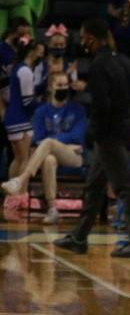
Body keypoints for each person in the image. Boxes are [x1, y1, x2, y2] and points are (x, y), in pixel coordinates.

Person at [56, 19, 130, 257]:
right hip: (126, 130)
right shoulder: (125, 61)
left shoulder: (99, 64)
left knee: (124, 187)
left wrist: (93, 133)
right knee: (94, 186)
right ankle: (79, 237)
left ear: (90, 38)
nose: (82, 42)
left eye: (83, 38)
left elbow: (101, 105)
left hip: (109, 134)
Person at [2, 70, 86, 224]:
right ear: (51, 87)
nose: (63, 88)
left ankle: (20, 180)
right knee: (49, 159)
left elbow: (78, 136)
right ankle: (52, 210)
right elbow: (37, 139)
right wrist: (61, 143)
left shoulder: (78, 110)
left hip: (73, 156)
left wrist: (54, 143)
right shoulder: (41, 112)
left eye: (65, 85)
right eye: (59, 85)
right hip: (57, 152)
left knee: (48, 143)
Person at [4, 32, 41, 176]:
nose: (40, 54)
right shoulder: (25, 71)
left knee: (18, 159)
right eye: (38, 51)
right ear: (31, 52)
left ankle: (11, 189)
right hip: (20, 119)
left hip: (13, 117)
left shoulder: (18, 68)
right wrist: (41, 105)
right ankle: (20, 189)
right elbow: (27, 101)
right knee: (24, 159)